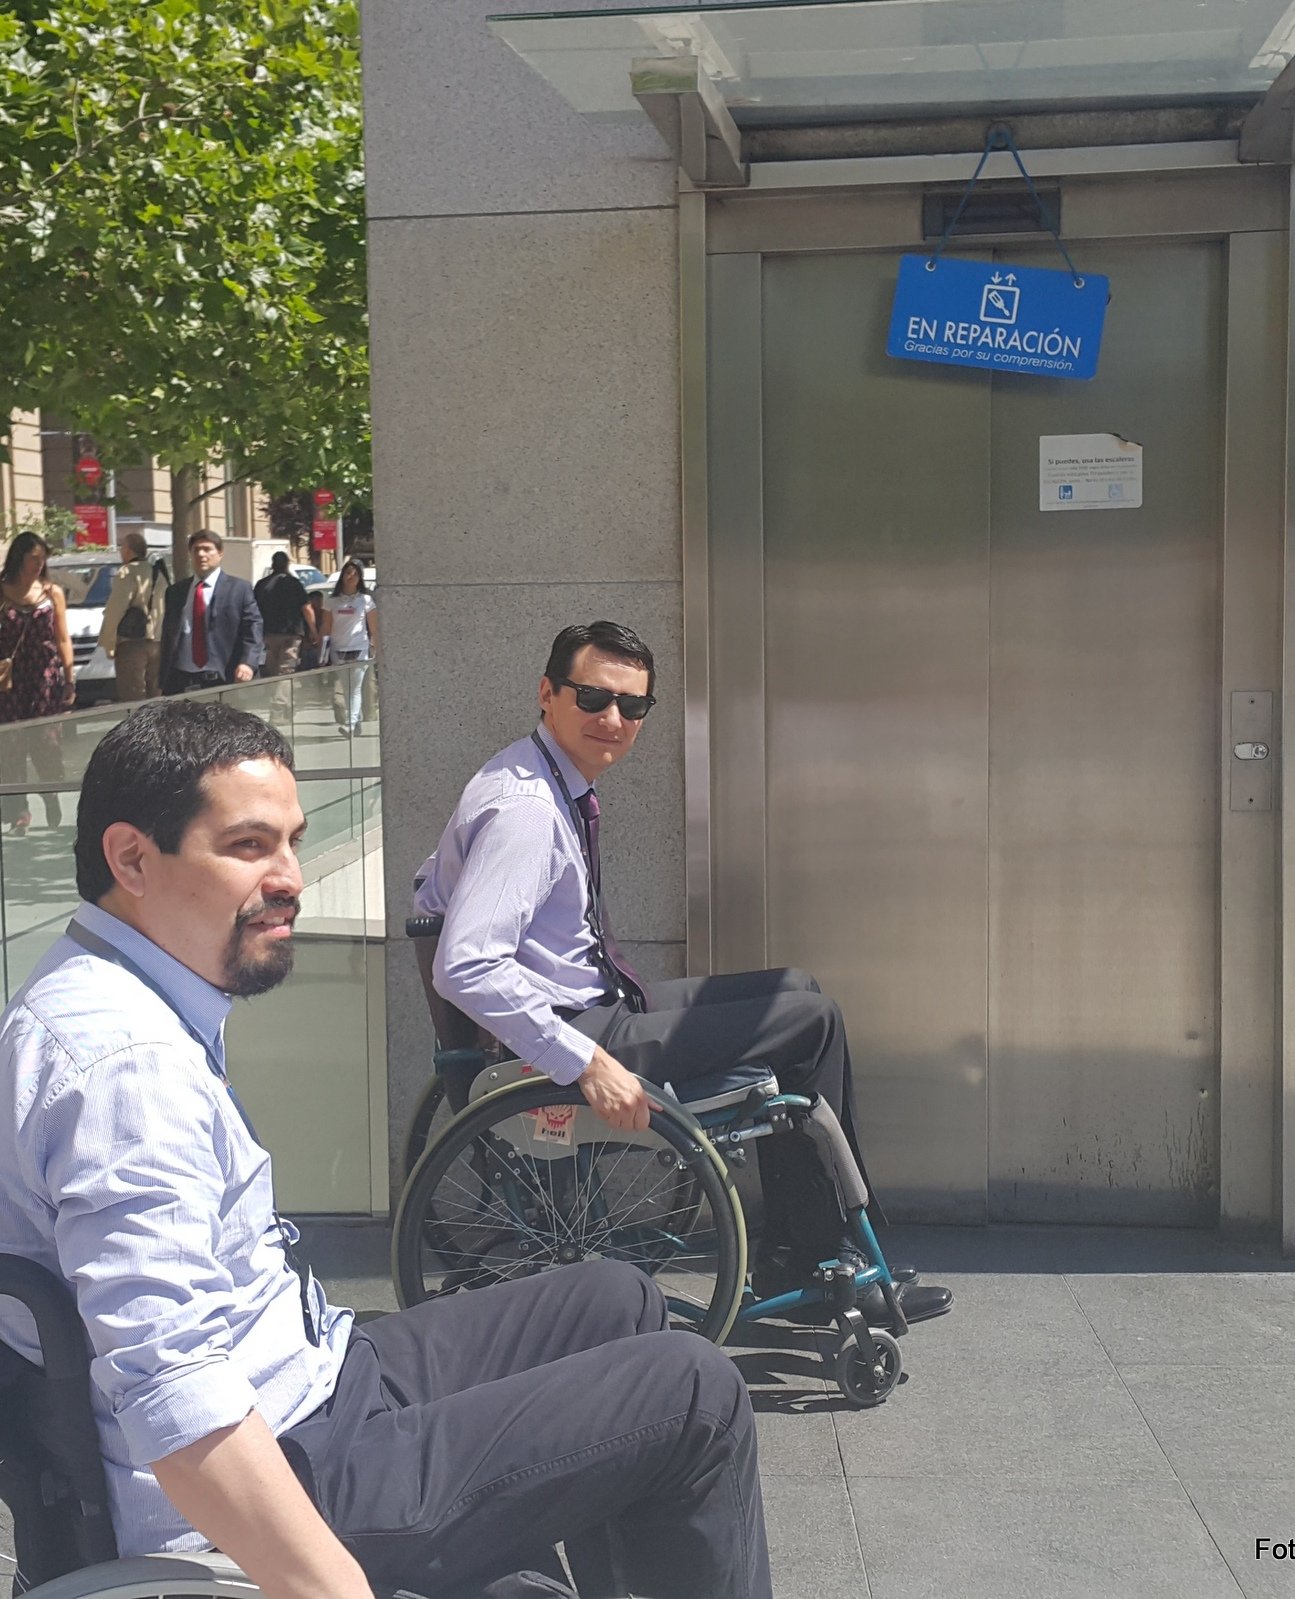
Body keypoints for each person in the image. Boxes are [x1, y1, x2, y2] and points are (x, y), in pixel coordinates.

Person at [0, 699, 771, 1599]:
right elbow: (176, 1396)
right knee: (692, 1392)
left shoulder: (110, 993)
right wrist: (334, 1587)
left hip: (316, 1377)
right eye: (249, 846)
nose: (290, 876)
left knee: (619, 1298)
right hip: (299, 1463)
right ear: (132, 857)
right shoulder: (124, 1067)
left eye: (291, 840)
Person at [414, 620, 953, 1324]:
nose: (613, 720)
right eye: (593, 697)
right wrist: (585, 1063)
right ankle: (827, 1256)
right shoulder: (526, 811)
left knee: (796, 990)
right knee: (809, 1025)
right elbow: (465, 964)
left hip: (592, 1008)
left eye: (632, 706)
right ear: (547, 693)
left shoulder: (538, 774)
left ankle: (809, 1249)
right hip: (574, 1035)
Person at [0, 531, 74, 834]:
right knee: (12, 745)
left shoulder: (51, 591)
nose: (39, 564)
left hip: (45, 676)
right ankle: (20, 811)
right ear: (19, 558)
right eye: (34, 558)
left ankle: (50, 794)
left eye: (43, 559)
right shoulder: (2, 591)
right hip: (10, 681)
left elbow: (62, 637)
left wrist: (70, 678)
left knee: (46, 743)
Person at [159, 531, 263, 695]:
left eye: (207, 549)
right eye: (196, 550)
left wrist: (247, 663)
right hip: (182, 680)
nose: (201, 554)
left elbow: (253, 628)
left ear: (220, 553)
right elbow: (169, 635)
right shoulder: (175, 592)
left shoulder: (239, 589)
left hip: (223, 678)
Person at [98, 529, 170, 702]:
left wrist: (109, 644)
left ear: (128, 550)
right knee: (155, 696)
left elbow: (116, 609)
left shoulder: (127, 572)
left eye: (122, 547)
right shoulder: (158, 573)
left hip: (131, 643)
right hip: (157, 643)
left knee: (133, 697)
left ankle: (137, 729)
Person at [322, 559, 377, 735]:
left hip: (359, 648)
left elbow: (374, 626)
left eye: (355, 574)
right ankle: (356, 721)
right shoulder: (332, 602)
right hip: (339, 649)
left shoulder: (366, 600)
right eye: (348, 573)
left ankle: (351, 724)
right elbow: (326, 627)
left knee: (355, 688)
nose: (351, 577)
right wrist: (321, 648)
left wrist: (376, 646)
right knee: (346, 688)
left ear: (360, 577)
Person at [253, 552, 316, 678]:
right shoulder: (294, 583)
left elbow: (253, 610)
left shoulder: (261, 584)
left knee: (271, 671)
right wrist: (314, 631)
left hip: (268, 634)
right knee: (286, 671)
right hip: (291, 634)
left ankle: (273, 696)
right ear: (287, 564)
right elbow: (306, 608)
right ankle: (282, 698)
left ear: (273, 564)